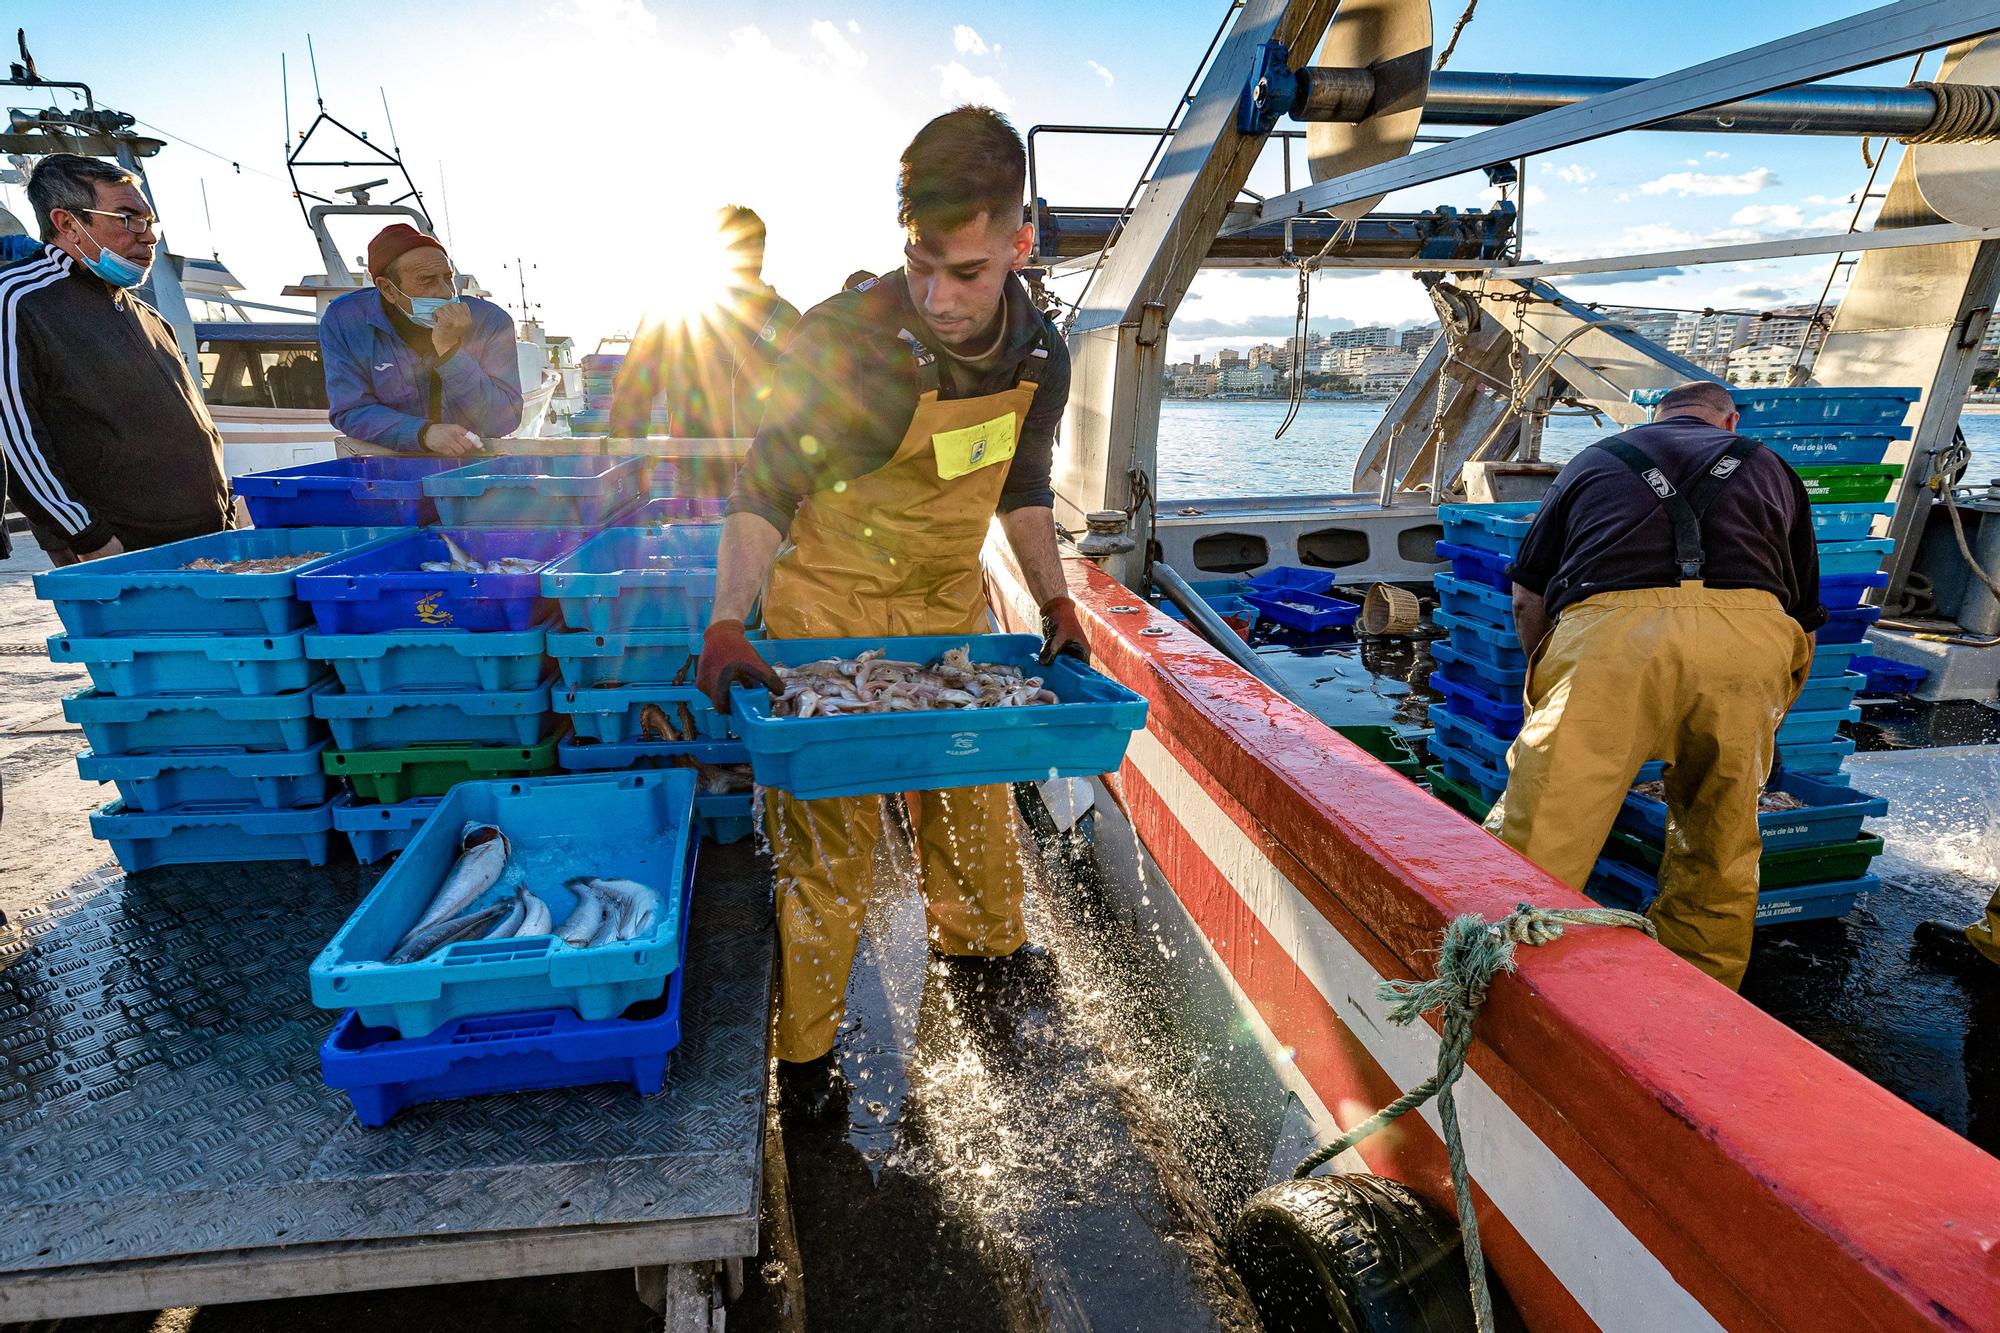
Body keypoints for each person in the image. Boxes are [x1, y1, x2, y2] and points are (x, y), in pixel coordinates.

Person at [694, 106, 1087, 1107]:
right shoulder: (845, 342)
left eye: (965, 271)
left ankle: (984, 995)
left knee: (977, 828)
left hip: (949, 623)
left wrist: (1056, 600)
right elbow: (762, 488)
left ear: (1017, 242)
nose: (937, 295)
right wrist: (728, 620)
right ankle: (805, 1065)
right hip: (830, 619)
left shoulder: (1040, 355)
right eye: (920, 262)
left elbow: (1022, 487)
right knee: (827, 857)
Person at [1486, 380, 1821, 990]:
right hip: (1746, 646)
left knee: (1540, 834)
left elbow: (1526, 595)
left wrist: (1552, 673)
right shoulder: (1771, 466)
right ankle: (1701, 996)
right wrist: (1774, 705)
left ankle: (1500, 978)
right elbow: (1803, 613)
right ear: (1729, 422)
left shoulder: (1594, 460)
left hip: (1609, 645)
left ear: (1653, 416)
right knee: (1719, 841)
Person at [0, 154, 231, 564]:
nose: (148, 236)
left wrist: (225, 509)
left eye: (149, 221)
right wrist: (87, 537)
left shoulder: (147, 314)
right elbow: (14, 437)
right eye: (127, 217)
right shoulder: (16, 300)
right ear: (68, 223)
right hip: (118, 552)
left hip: (205, 540)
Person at [320, 223, 522, 455]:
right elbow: (350, 410)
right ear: (388, 289)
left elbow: (504, 419)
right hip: (394, 464)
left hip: (474, 461)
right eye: (427, 280)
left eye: (448, 278)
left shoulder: (491, 321)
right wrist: (422, 433)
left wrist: (450, 352)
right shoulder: (345, 320)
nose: (445, 292)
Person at [610, 206, 800, 439]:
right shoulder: (675, 315)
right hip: (696, 470)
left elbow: (807, 403)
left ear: (762, 251)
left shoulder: (788, 320)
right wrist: (629, 461)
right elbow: (632, 391)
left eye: (752, 244)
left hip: (764, 472)